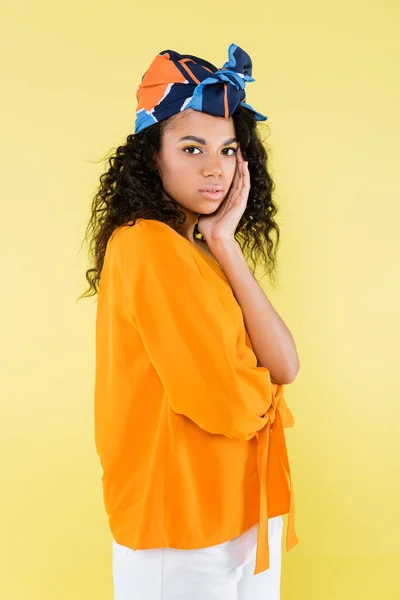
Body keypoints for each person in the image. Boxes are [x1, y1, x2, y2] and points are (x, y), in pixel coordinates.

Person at [80, 42, 300, 599]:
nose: (214, 168)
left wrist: (225, 243)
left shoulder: (198, 249)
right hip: (180, 528)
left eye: (228, 150)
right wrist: (263, 391)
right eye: (192, 146)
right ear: (151, 153)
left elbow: (285, 365)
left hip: (243, 512)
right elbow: (223, 398)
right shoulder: (145, 246)